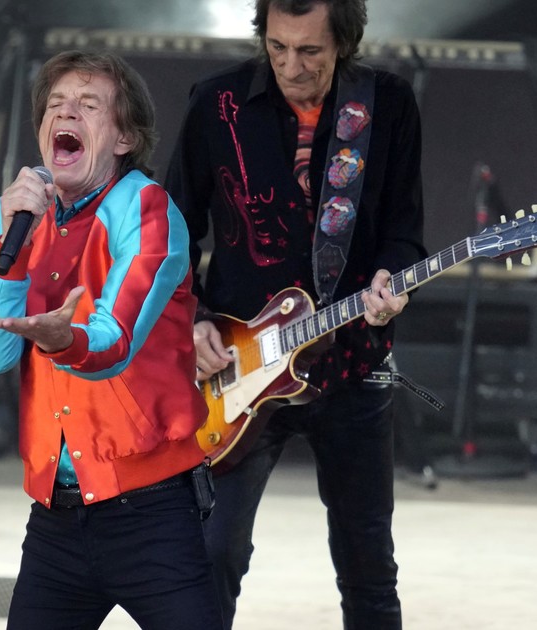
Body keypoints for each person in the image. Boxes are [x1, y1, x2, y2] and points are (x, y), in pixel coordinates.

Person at [164, 0, 426, 627]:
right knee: (211, 553)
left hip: (354, 361)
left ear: (344, 43)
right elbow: (172, 231)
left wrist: (393, 280)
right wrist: (192, 318)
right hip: (239, 363)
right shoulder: (217, 103)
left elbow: (404, 230)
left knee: (368, 567)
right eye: (277, 47)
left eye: (310, 51)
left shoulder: (387, 104)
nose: (290, 66)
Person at [0, 50, 222, 630]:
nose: (66, 113)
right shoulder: (16, 218)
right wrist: (9, 253)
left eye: (88, 104)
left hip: (151, 511)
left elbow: (112, 343)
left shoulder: (147, 211)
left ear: (125, 137)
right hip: (55, 519)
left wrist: (63, 340)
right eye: (56, 104)